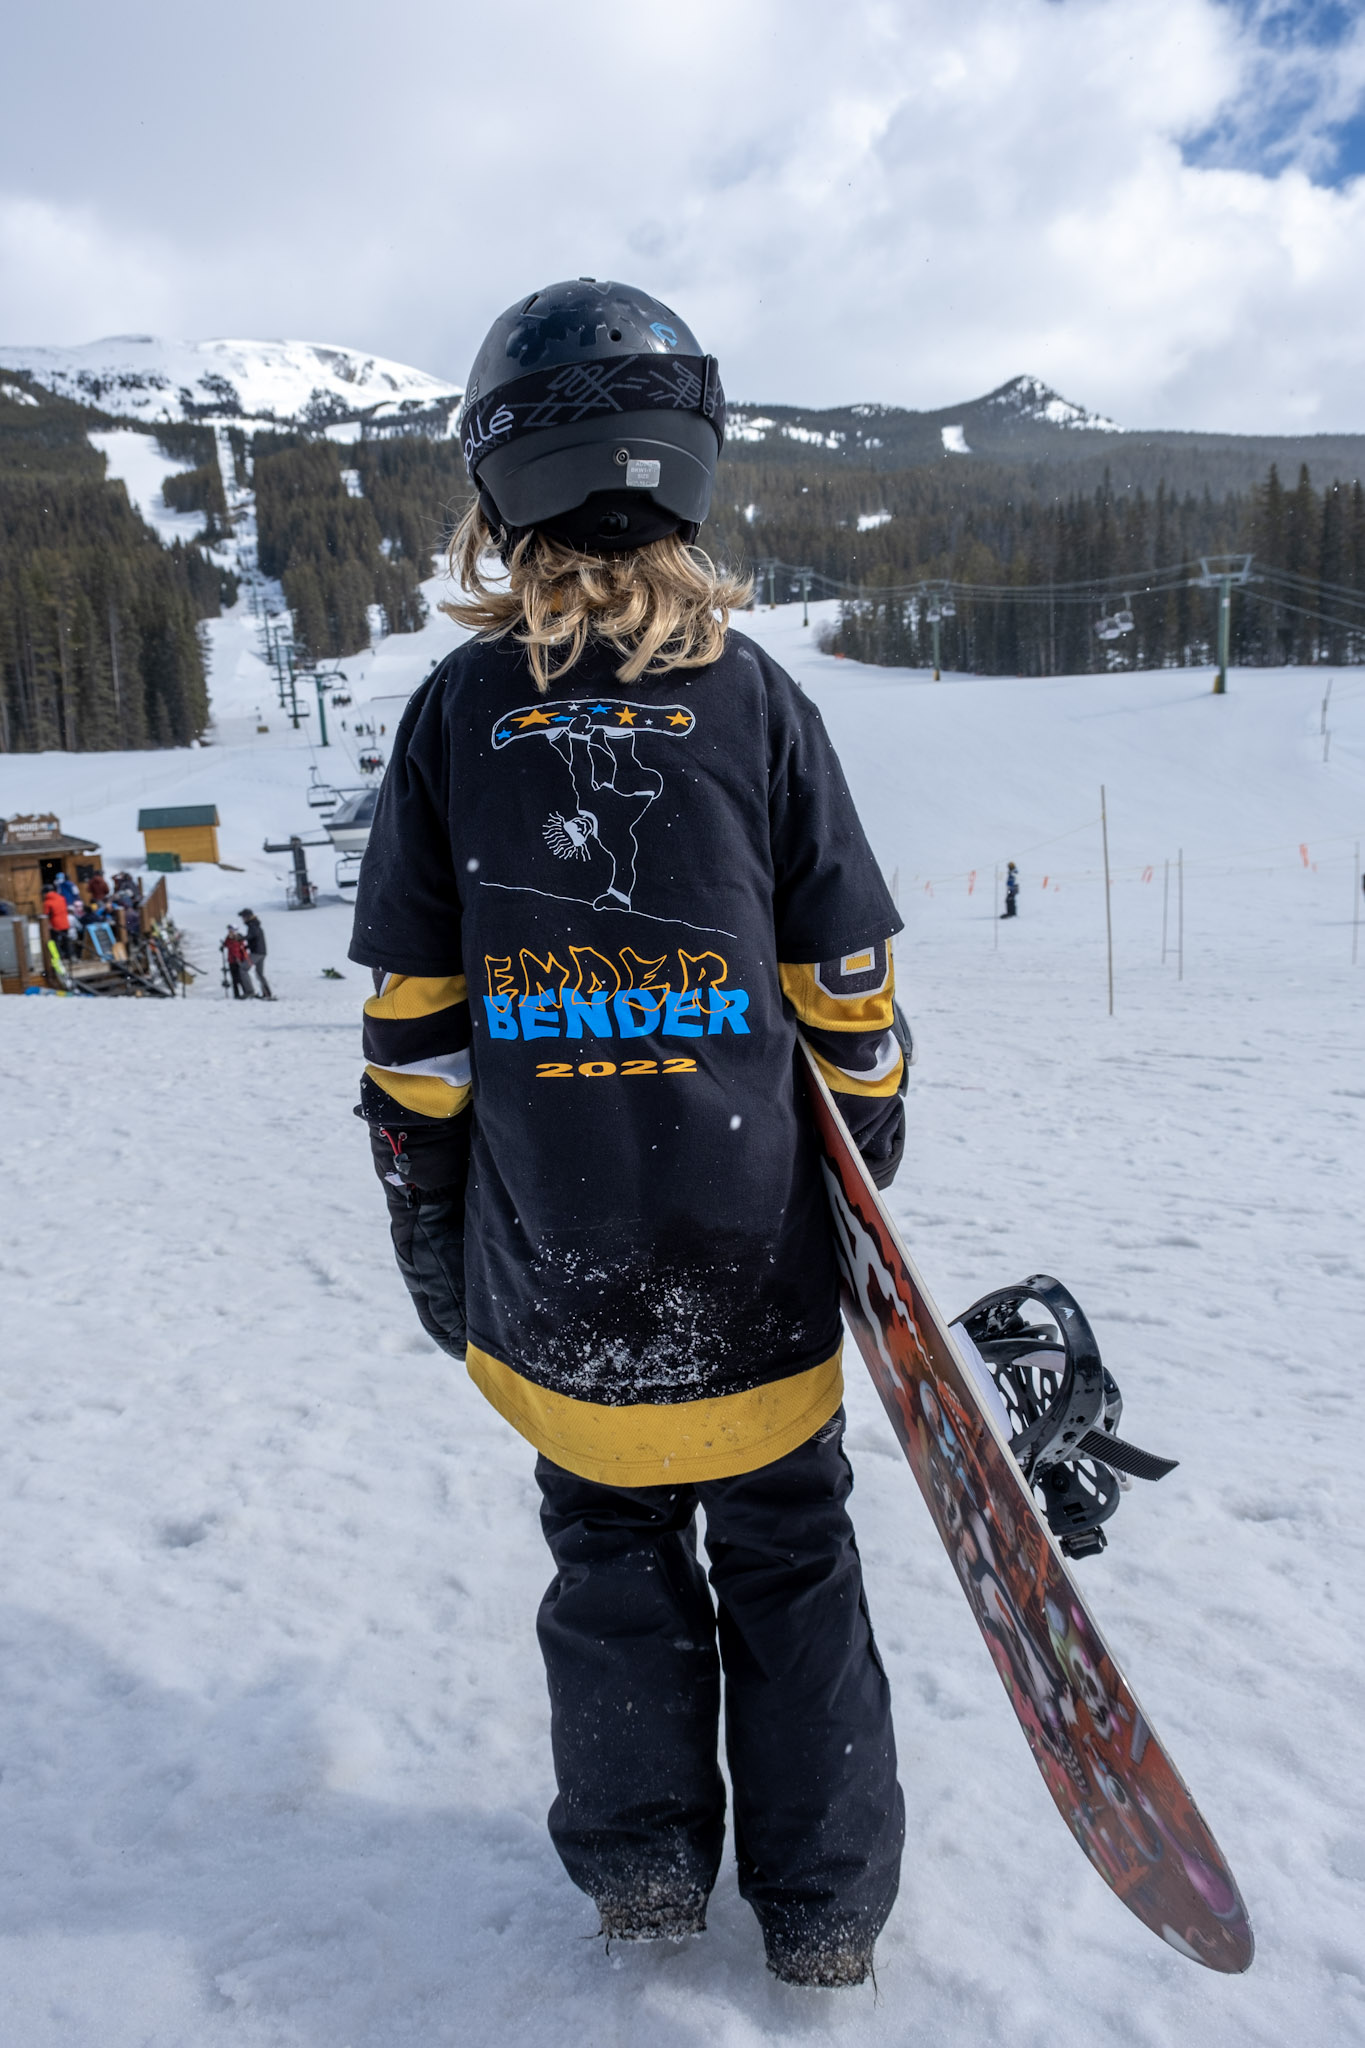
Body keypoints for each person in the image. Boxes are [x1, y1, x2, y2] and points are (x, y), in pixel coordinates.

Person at [351, 280, 909, 1989]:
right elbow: (845, 978)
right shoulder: (756, 704)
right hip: (754, 1263)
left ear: (499, 493)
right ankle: (819, 1909)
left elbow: (417, 1030)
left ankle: (648, 1873)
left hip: (566, 1273)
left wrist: (425, 1214)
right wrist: (866, 1146)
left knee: (606, 1552)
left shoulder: (457, 716)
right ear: (688, 471)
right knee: (791, 1550)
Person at [239, 908, 273, 999]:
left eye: (243, 917)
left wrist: (241, 938)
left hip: (256, 953)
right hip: (261, 952)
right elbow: (254, 939)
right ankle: (267, 993)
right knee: (259, 973)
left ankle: (249, 992)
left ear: (247, 917)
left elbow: (251, 936)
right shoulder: (255, 924)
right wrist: (247, 946)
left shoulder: (252, 925)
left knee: (243, 969)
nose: (242, 919)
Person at [41, 880, 72, 959]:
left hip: (55, 924)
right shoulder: (61, 898)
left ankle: (59, 956)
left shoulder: (47, 902)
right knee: (66, 940)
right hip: (65, 922)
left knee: (54, 941)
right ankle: (69, 956)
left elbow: (46, 914)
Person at [221, 924, 251, 998]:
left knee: (240, 978)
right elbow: (226, 944)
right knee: (234, 979)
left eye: (231, 930)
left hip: (239, 961)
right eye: (229, 930)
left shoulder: (239, 938)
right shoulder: (228, 938)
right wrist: (222, 947)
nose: (230, 932)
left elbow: (242, 949)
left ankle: (245, 992)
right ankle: (236, 995)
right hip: (231, 961)